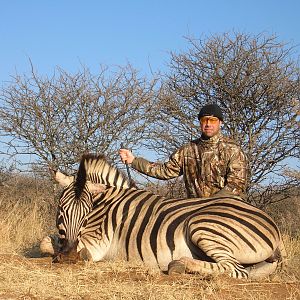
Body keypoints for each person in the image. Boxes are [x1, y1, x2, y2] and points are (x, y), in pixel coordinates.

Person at [119, 104, 248, 198]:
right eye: (204, 120)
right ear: (200, 123)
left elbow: (236, 185)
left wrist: (210, 204)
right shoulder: (187, 150)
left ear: (220, 123)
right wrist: (134, 161)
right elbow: (165, 171)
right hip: (195, 212)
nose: (208, 124)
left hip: (226, 211)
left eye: (213, 120)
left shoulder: (233, 150)